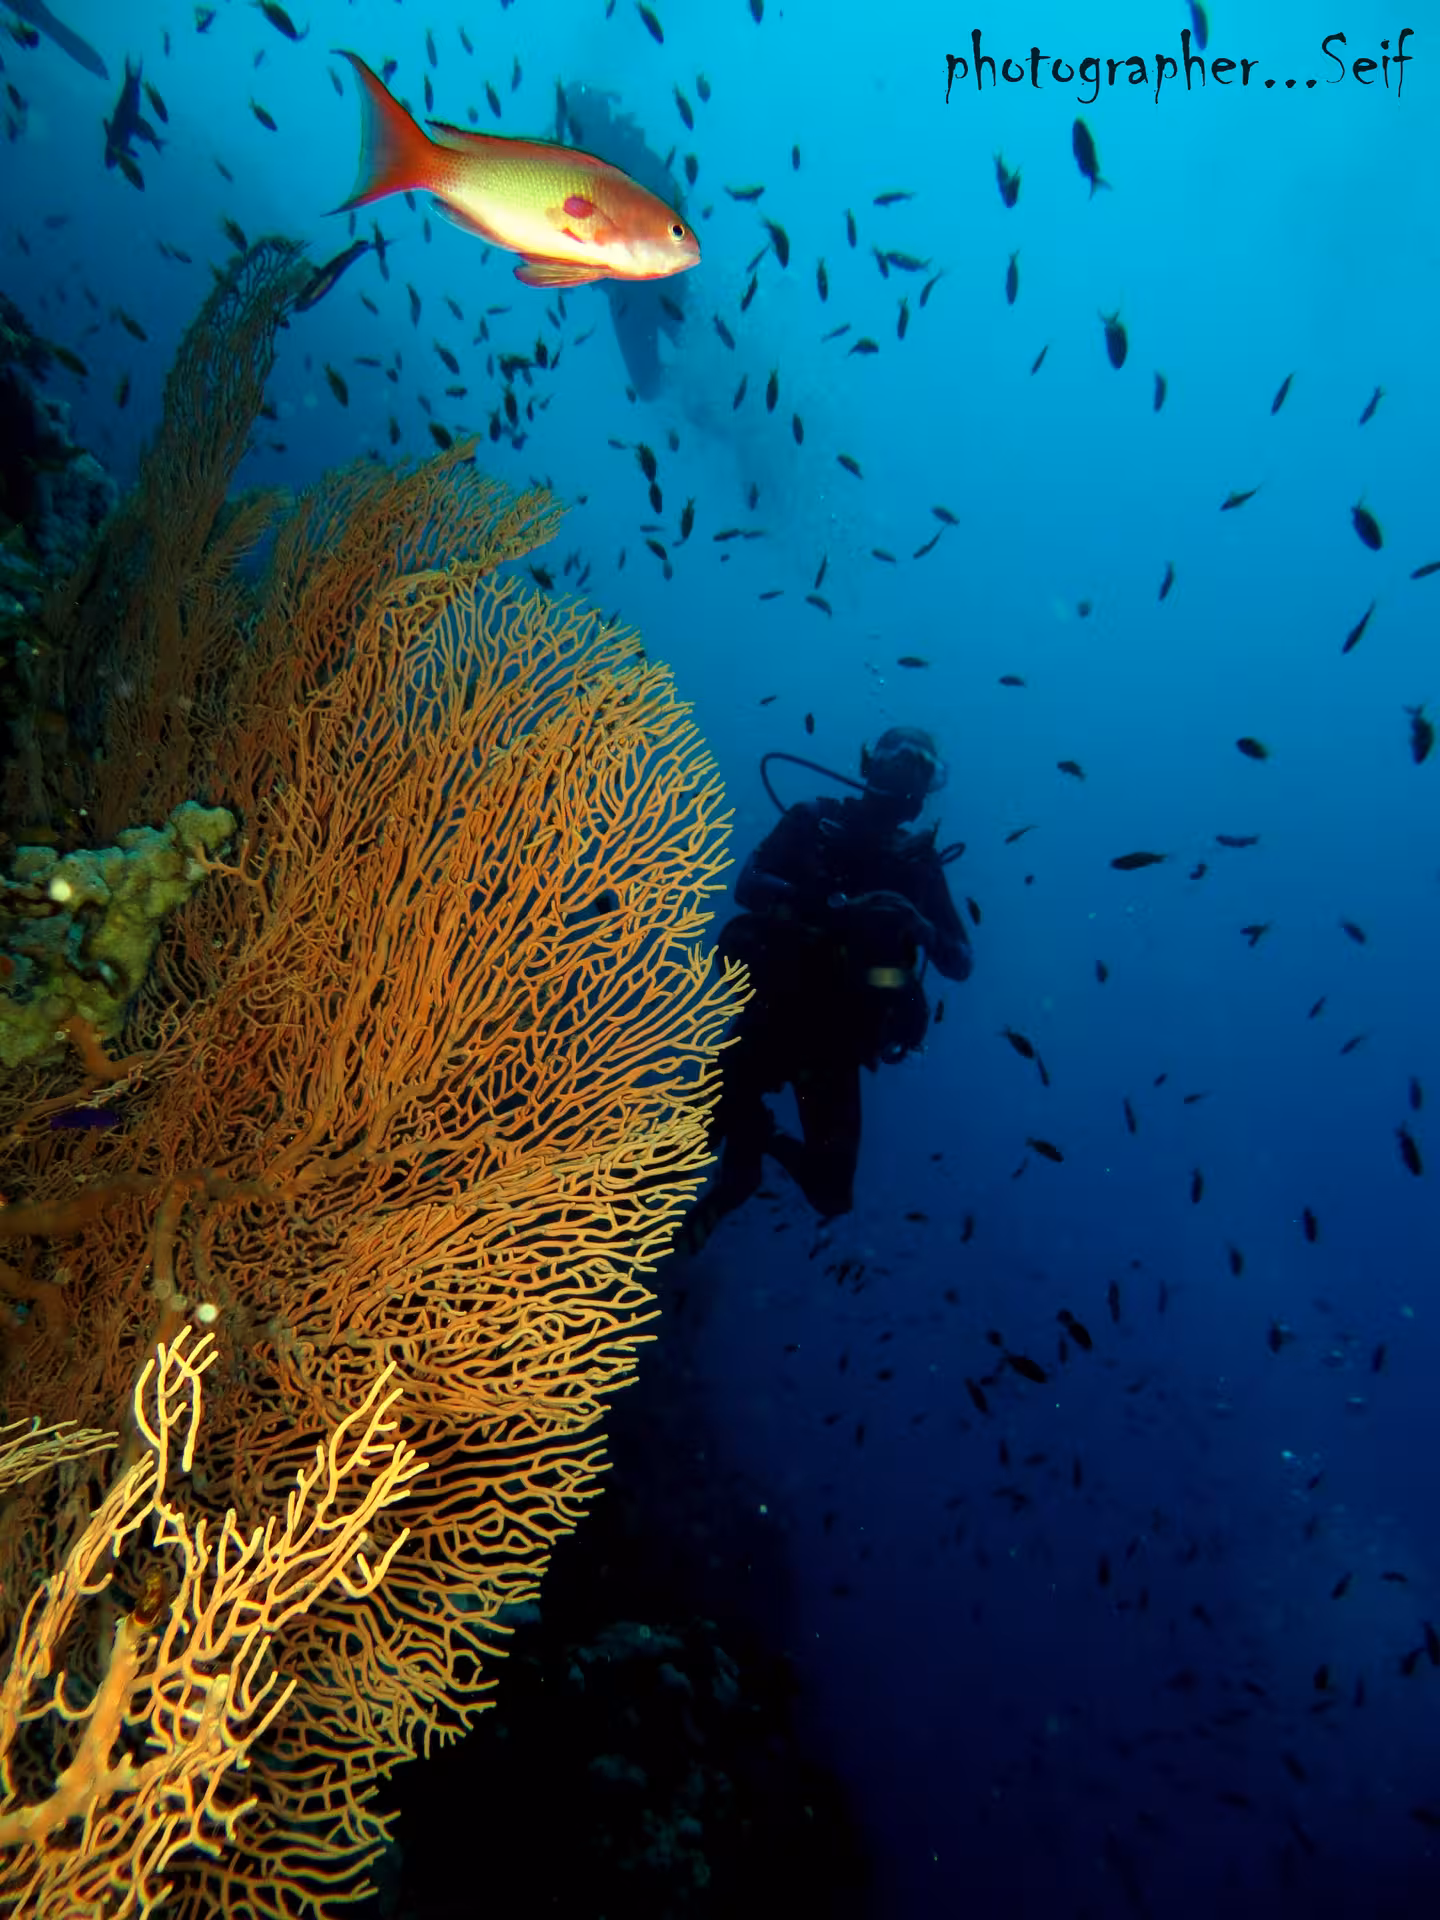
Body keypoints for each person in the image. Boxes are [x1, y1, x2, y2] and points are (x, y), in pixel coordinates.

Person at [680, 727, 972, 1251]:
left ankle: (759, 1139)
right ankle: (637, 1256)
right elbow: (749, 885)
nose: (904, 780)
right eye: (895, 763)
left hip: (841, 1040)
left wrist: (918, 924)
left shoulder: (919, 865)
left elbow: (961, 961)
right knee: (683, 1149)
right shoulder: (813, 821)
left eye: (919, 770)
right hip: (775, 1015)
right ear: (870, 766)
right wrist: (832, 907)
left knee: (831, 1192)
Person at [553, 81, 688, 401]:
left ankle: (720, 406)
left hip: (659, 284)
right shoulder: (575, 168)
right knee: (651, 387)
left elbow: (673, 204)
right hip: (630, 291)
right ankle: (703, 410)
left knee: (703, 352)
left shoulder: (626, 154)